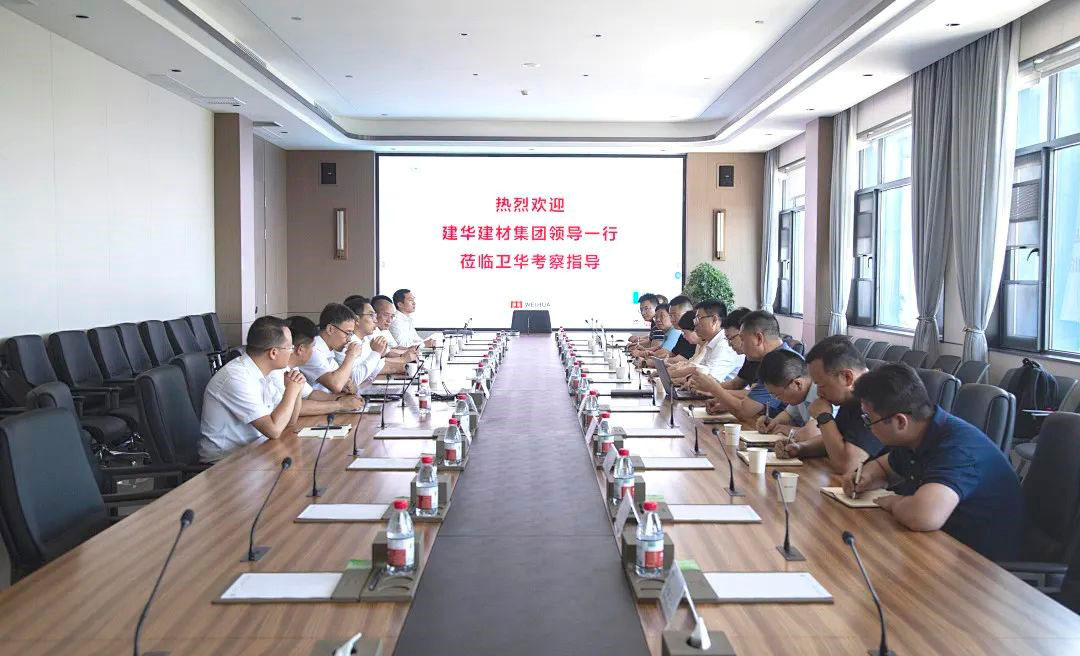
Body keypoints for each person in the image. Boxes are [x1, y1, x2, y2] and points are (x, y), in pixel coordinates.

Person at [841, 364, 1023, 561]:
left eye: (869, 420)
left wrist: (893, 502)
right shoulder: (918, 433)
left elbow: (922, 516)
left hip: (983, 563)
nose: (868, 427)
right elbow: (884, 467)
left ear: (900, 421)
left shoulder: (957, 448)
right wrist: (866, 476)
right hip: (944, 546)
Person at [197, 316, 305, 463]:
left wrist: (296, 389)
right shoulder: (236, 377)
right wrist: (291, 390)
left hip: (255, 452)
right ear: (273, 353)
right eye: (290, 347)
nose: (292, 352)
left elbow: (290, 422)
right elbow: (273, 430)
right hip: (224, 464)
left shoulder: (266, 372)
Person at [782, 335, 884, 473]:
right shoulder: (850, 397)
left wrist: (824, 417)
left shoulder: (876, 399)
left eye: (821, 385)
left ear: (847, 377)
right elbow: (837, 441)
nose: (819, 393)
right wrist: (800, 448)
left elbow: (846, 464)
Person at [280, 316, 368, 415]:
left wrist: (343, 399)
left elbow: (310, 394)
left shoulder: (293, 368)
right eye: (313, 347)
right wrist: (340, 405)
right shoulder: (277, 371)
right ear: (300, 349)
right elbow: (291, 408)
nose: (314, 351)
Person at [298, 303, 384, 394]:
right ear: (330, 329)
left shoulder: (328, 350)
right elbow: (336, 385)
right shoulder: (313, 350)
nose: (349, 339)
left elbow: (350, 385)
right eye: (347, 333)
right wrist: (351, 355)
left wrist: (347, 385)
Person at [756, 348, 835, 447]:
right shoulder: (800, 394)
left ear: (797, 384)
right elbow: (788, 414)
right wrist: (771, 423)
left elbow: (811, 434)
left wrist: (784, 429)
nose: (776, 399)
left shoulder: (822, 393)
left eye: (777, 394)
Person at [343, 296, 404, 377]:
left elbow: (377, 365)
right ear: (357, 319)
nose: (375, 320)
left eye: (375, 315)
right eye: (371, 315)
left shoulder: (364, 339)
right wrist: (376, 352)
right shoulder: (346, 343)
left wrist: (404, 366)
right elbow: (356, 377)